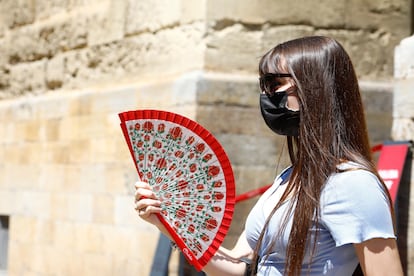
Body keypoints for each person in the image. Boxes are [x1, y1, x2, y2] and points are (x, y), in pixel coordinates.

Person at [134, 36, 403, 275]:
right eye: (263, 85)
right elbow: (238, 267)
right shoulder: (288, 178)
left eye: (274, 84)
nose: (265, 95)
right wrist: (169, 225)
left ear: (315, 90)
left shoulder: (353, 183)